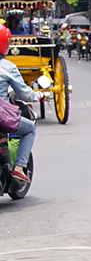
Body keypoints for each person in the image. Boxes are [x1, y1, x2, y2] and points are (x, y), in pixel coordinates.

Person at [0, 46, 40, 184]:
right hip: (2, 117)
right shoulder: (7, 66)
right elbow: (24, 93)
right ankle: (19, 168)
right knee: (30, 129)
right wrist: (38, 95)